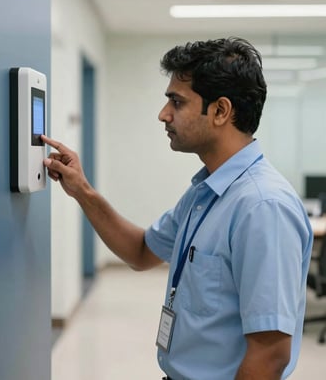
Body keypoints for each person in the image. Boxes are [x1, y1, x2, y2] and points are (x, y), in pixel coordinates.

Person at [42, 37, 313, 380]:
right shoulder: (206, 192)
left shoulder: (262, 207)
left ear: (220, 111)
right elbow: (141, 251)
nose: (163, 114)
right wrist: (82, 191)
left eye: (176, 102)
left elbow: (270, 353)